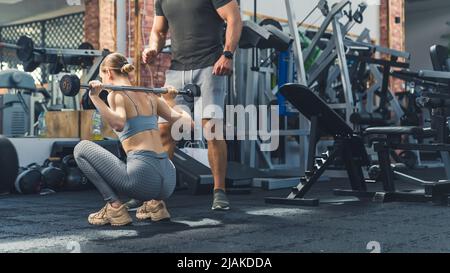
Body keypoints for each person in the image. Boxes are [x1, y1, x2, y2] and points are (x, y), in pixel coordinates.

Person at [139, 0, 243, 211]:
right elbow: (158, 32)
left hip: (210, 66)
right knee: (164, 131)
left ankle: (219, 191)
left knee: (211, 129)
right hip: (177, 69)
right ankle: (156, 194)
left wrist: (228, 54)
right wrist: (152, 49)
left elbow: (234, 18)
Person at [74, 52, 192, 226]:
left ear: (109, 73)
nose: (103, 83)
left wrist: (95, 97)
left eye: (102, 77)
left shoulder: (116, 95)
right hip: (168, 180)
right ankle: (156, 206)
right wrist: (170, 101)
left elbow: (118, 124)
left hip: (143, 180)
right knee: (137, 161)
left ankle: (114, 208)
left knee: (81, 149)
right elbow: (187, 124)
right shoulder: (151, 95)